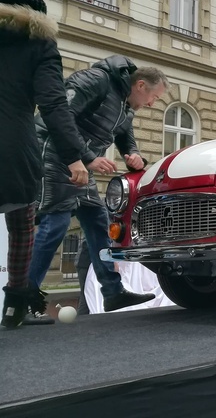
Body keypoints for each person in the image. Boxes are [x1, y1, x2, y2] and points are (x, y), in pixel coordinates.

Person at [26, 57, 169, 322]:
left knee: (97, 221)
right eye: (154, 98)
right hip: (54, 154)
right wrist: (87, 156)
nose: (152, 104)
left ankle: (112, 292)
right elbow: (59, 115)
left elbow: (125, 134)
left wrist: (133, 153)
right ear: (140, 85)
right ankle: (24, 299)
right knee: (55, 224)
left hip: (80, 163)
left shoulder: (125, 105)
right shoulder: (97, 81)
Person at [0, 0, 89, 329]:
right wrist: (74, 156)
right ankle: (14, 308)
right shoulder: (39, 44)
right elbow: (53, 103)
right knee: (22, 227)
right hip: (12, 147)